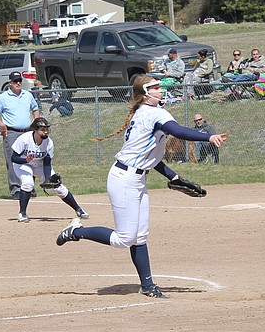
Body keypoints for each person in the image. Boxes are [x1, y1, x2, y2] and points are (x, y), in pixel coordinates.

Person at [56, 75, 228, 298]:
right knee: (124, 239)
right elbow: (177, 131)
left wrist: (173, 176)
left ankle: (147, 286)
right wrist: (208, 137)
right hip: (124, 178)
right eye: (155, 87)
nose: (160, 90)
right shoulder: (154, 113)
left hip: (136, 179)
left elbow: (150, 158)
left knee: (140, 236)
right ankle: (76, 232)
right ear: (145, 94)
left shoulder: (145, 113)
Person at [10, 117, 88, 222]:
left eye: (47, 129)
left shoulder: (49, 143)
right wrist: (26, 160)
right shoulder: (24, 139)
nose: (45, 131)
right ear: (35, 130)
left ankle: (78, 209)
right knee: (28, 183)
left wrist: (47, 179)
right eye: (42, 129)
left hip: (39, 165)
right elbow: (13, 158)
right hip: (22, 164)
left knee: (58, 187)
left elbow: (47, 162)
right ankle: (22, 214)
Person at [0, 71, 41, 198]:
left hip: (28, 132)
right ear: (10, 83)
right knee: (13, 161)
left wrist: (36, 123)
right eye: (15, 81)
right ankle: (16, 189)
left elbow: (35, 109)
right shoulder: (3, 97)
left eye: (20, 81)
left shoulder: (27, 95)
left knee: (30, 159)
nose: (18, 83)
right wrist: (2, 125)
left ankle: (29, 188)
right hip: (11, 132)